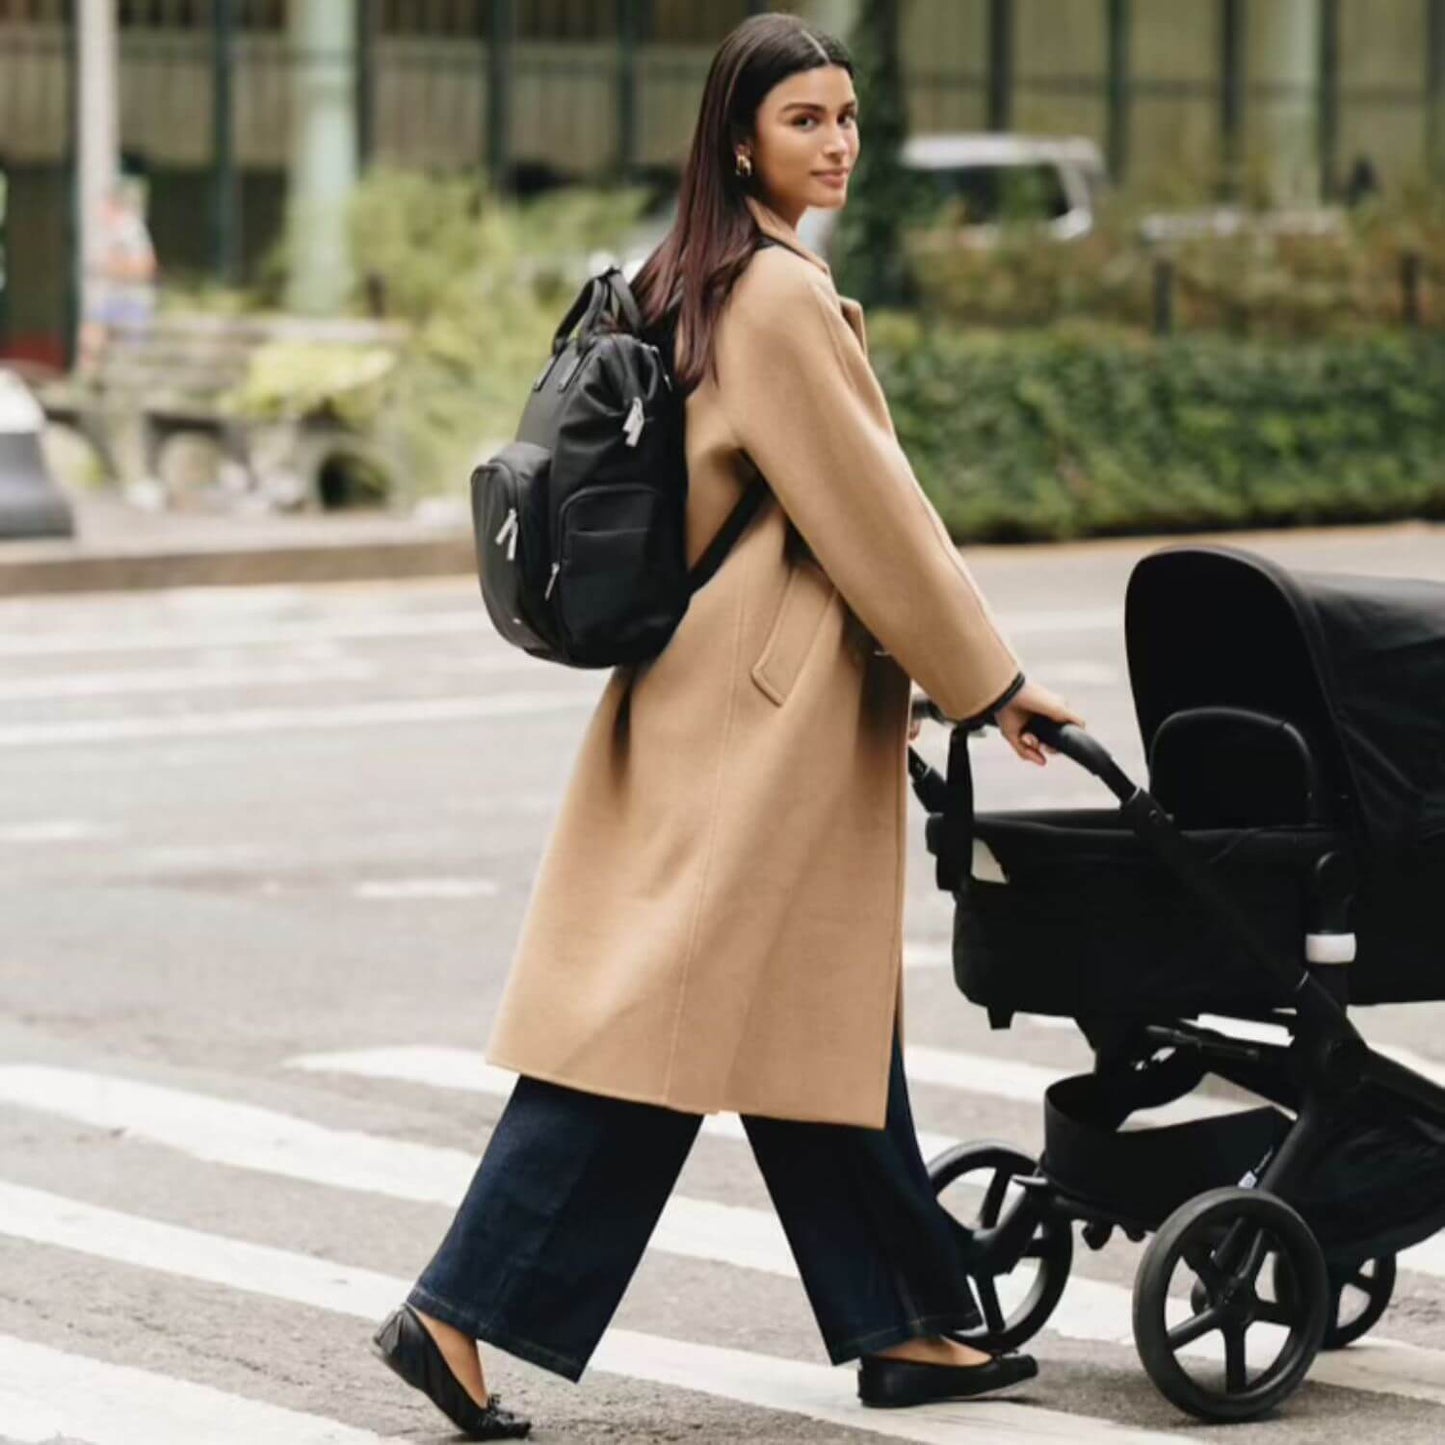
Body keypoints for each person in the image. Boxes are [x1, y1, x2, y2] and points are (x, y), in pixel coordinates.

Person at [371, 13, 1084, 1440]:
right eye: (806, 119)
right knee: (662, 1036)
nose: (838, 143)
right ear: (740, 137)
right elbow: (873, 514)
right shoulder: (772, 299)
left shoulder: (696, 275)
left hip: (724, 701)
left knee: (812, 1016)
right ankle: (455, 1309)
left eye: (847, 117)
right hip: (756, 724)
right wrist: (986, 683)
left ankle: (906, 1320)